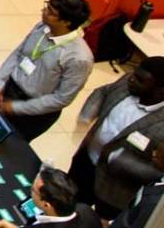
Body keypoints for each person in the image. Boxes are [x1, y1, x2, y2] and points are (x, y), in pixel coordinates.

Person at [0, 0, 93, 138]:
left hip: (33, 112)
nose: (43, 11)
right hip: (9, 90)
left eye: (50, 11)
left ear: (66, 22)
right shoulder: (42, 27)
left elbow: (61, 98)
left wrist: (16, 108)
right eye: (46, 6)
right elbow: (18, 53)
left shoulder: (79, 58)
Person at [69, 54, 164, 213]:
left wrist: (116, 159)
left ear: (161, 92)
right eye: (134, 73)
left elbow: (159, 171)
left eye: (140, 80)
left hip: (115, 189)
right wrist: (86, 117)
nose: (131, 79)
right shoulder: (129, 82)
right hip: (85, 162)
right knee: (66, 203)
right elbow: (103, 92)